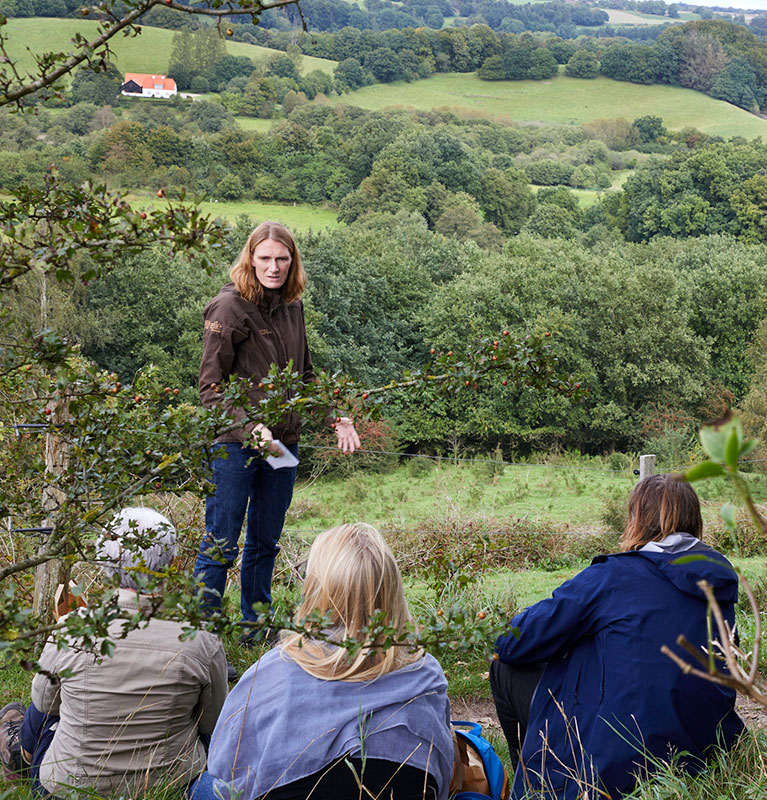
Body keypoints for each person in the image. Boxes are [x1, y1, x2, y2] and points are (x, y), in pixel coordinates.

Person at [489, 475, 744, 800]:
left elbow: (513, 642)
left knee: (504, 665)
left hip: (615, 770)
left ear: (639, 520)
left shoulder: (613, 577)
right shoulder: (719, 583)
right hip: (701, 756)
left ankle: (535, 788)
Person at [192, 523, 454, 800]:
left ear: (314, 589)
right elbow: (441, 774)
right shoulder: (426, 674)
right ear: (392, 590)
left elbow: (226, 770)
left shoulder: (270, 673)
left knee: (203, 786)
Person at [194, 221, 360, 641]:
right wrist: (249, 427)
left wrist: (334, 415)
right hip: (234, 444)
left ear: (293, 261)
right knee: (222, 542)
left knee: (266, 541)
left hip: (283, 445)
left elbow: (303, 376)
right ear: (250, 258)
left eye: (282, 259)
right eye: (265, 258)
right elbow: (210, 388)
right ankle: (203, 640)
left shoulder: (292, 306)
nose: (273, 267)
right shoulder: (227, 308)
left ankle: (256, 626)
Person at [0, 508, 228, 797]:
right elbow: (212, 720)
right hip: (170, 785)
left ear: (104, 564)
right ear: (171, 563)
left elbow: (45, 705)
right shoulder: (202, 637)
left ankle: (20, 751)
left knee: (49, 704)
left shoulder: (72, 629)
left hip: (69, 788)